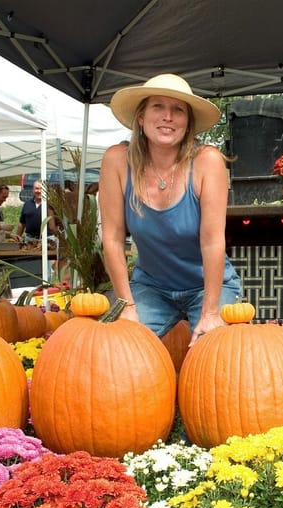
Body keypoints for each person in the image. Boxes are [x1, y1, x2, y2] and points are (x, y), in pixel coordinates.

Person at [101, 73, 241, 346]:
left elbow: (213, 242)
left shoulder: (207, 162)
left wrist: (211, 313)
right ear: (141, 117)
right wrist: (127, 307)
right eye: (158, 107)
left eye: (178, 110)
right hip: (151, 287)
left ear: (187, 122)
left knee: (215, 355)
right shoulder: (117, 161)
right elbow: (113, 239)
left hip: (208, 287)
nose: (168, 116)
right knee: (118, 349)